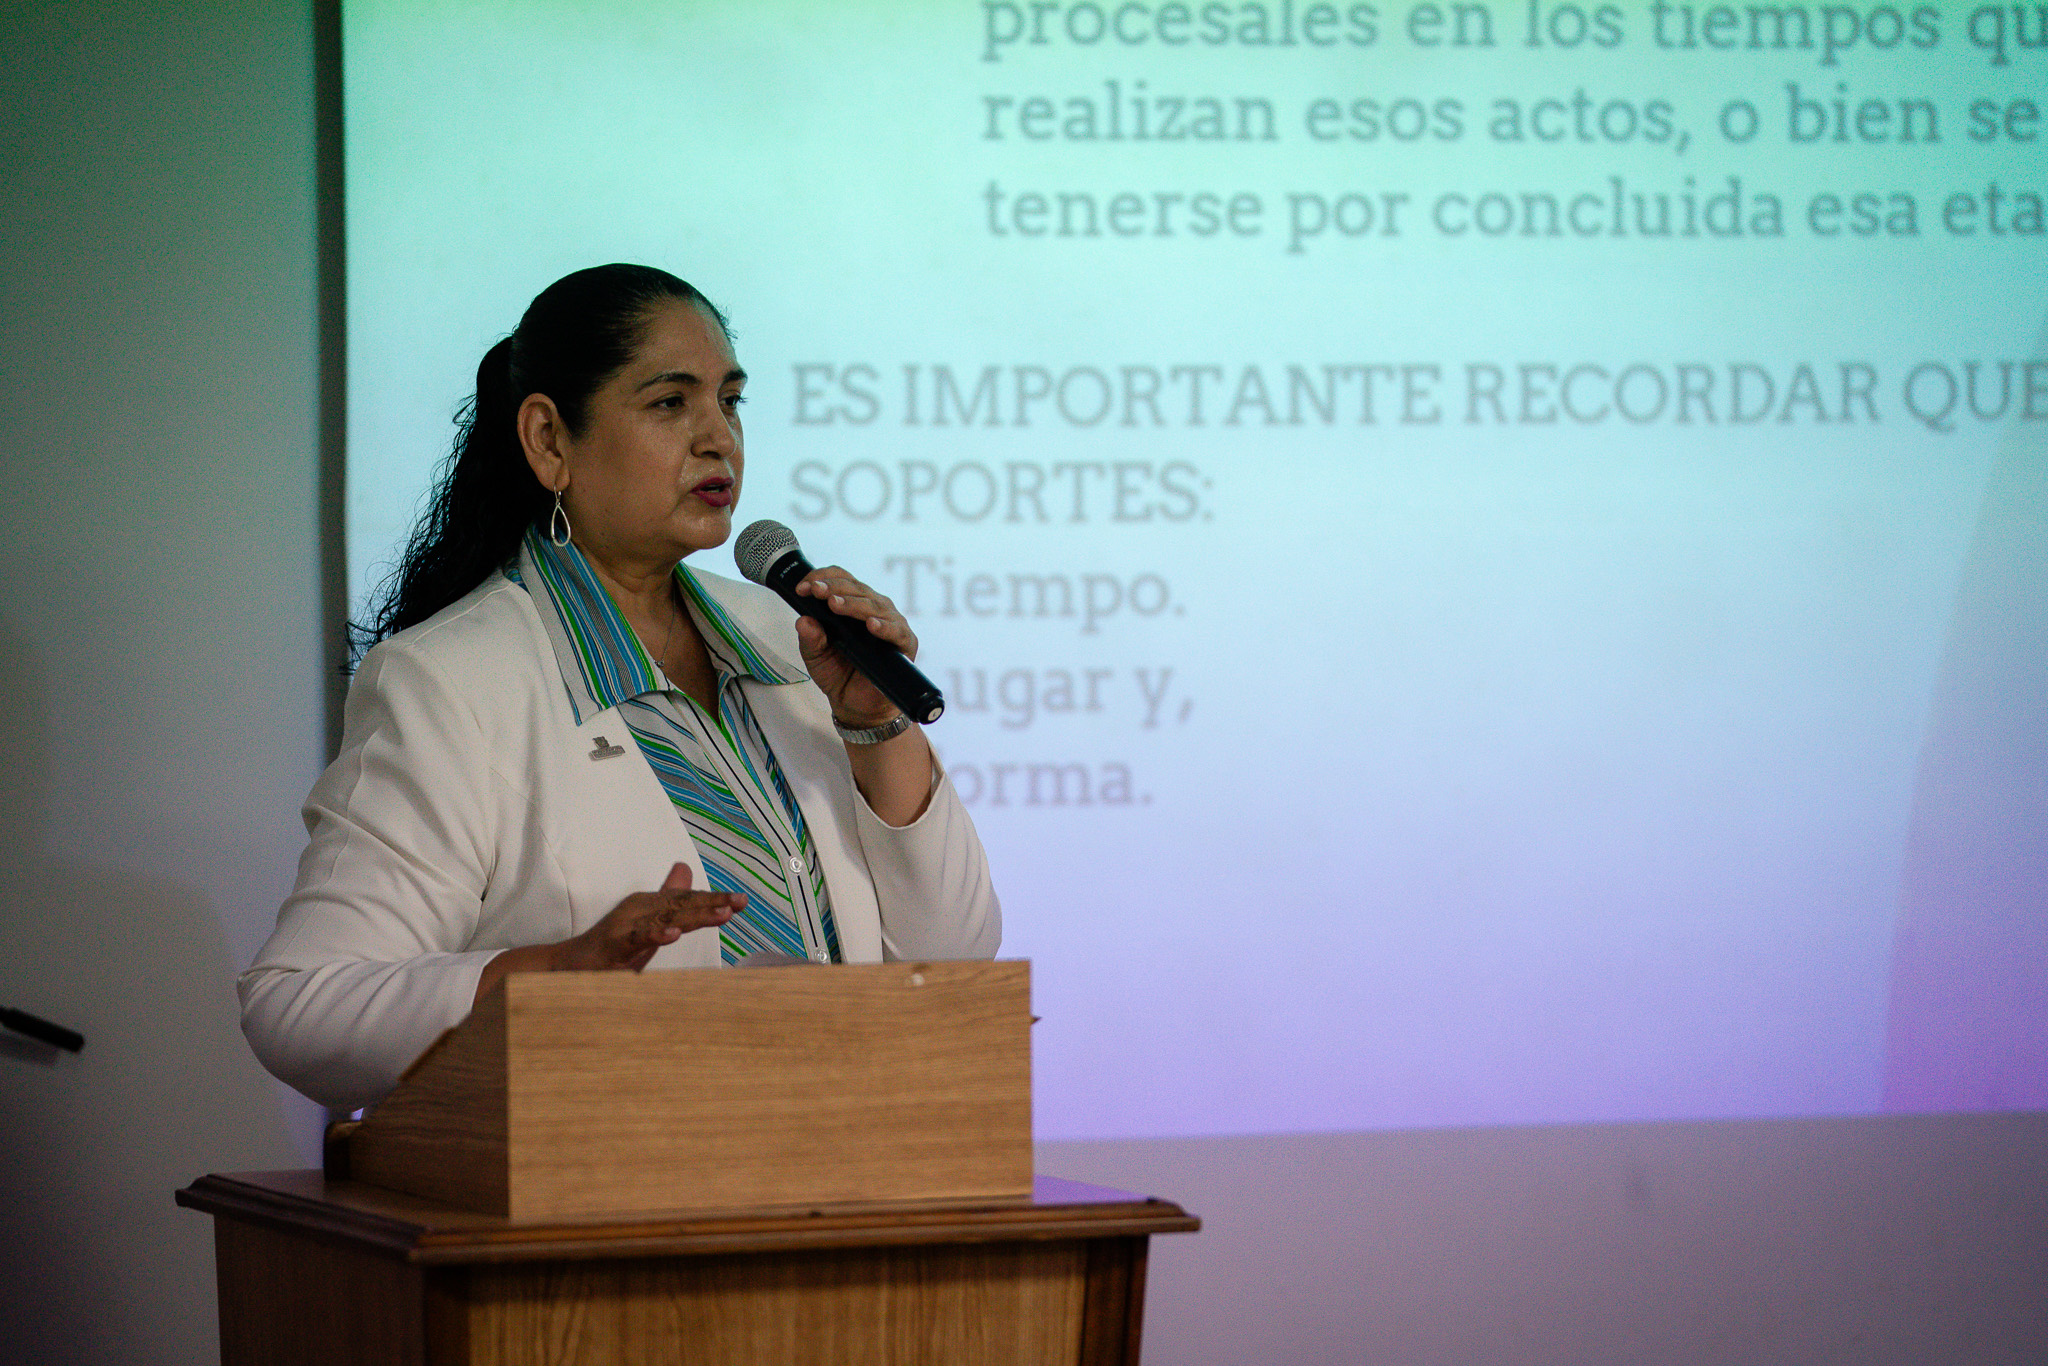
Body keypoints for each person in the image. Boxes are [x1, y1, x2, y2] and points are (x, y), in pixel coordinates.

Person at [240, 265, 1000, 1113]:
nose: (719, 439)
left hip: (840, 1174)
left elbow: (955, 957)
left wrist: (876, 726)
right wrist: (559, 975)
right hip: (606, 1200)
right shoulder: (449, 682)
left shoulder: (791, 643)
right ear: (549, 441)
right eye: (671, 403)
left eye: (730, 400)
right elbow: (299, 1006)